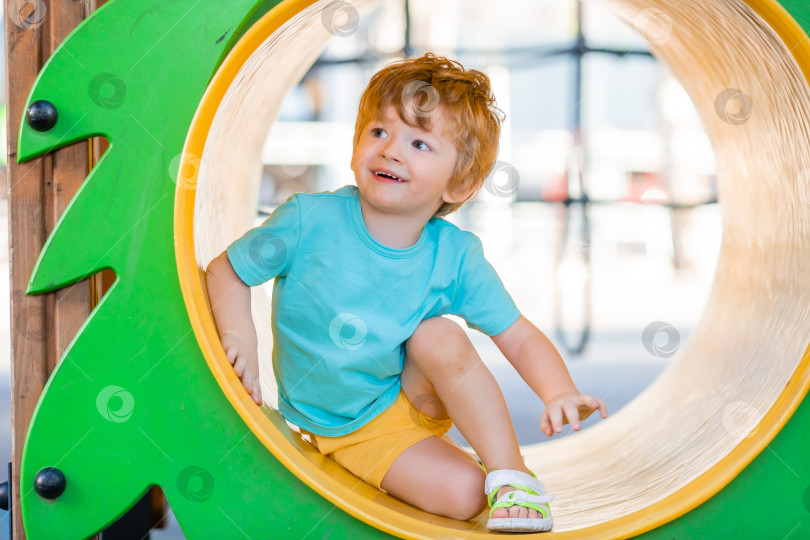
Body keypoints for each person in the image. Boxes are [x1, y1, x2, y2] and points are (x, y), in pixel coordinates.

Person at [205, 53, 608, 533]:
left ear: (459, 182)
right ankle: (447, 466)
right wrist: (240, 337)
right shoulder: (307, 220)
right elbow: (226, 268)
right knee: (463, 496)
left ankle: (513, 474)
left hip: (413, 393)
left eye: (419, 143)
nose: (391, 150)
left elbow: (516, 334)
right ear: (355, 144)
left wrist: (557, 390)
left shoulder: (455, 255)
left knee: (438, 335)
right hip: (351, 429)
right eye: (378, 132)